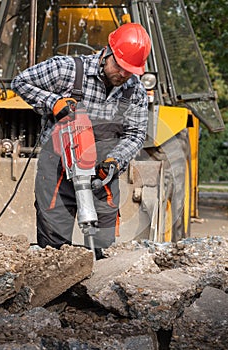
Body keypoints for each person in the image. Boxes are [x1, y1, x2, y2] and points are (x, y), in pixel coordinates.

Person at [11, 23, 151, 259]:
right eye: (119, 66)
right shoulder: (67, 69)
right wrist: (53, 102)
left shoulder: (134, 90)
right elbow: (20, 82)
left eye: (130, 71)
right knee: (53, 251)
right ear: (107, 51)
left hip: (102, 173)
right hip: (58, 170)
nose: (123, 74)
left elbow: (136, 133)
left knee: (104, 248)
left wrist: (115, 162)